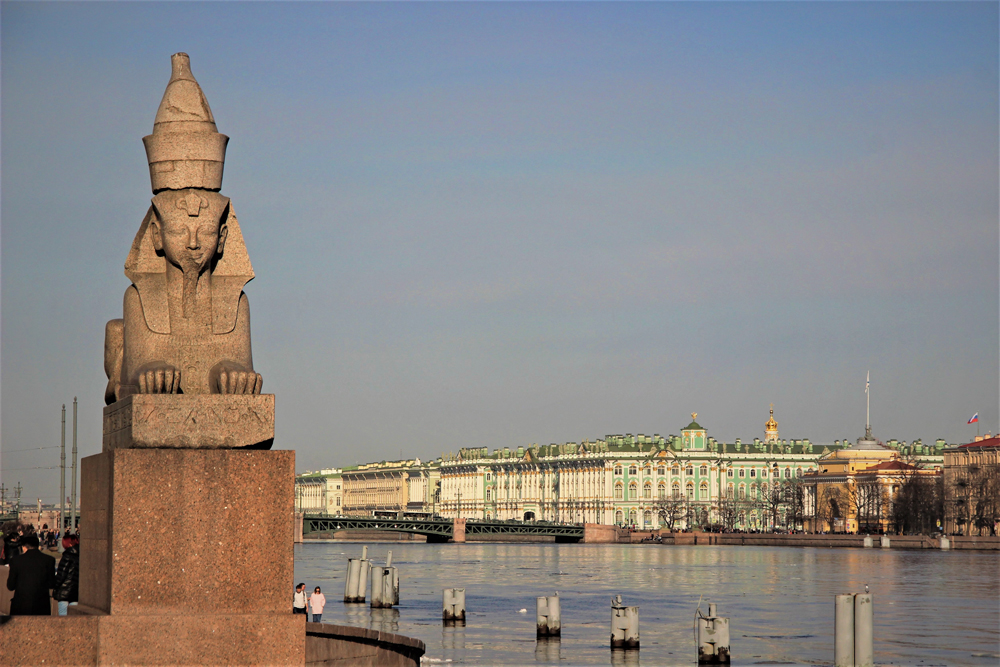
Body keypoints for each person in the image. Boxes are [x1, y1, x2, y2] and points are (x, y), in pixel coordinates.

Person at [6, 533, 56, 615]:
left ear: (24, 547)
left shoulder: (16, 561)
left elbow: (11, 586)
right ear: (37, 546)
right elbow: (52, 583)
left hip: (21, 604)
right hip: (42, 604)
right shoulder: (49, 560)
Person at [53, 534, 80, 615]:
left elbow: (61, 574)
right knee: (74, 618)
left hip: (64, 591)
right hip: (76, 592)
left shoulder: (67, 555)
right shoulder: (82, 554)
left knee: (63, 617)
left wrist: (55, 586)